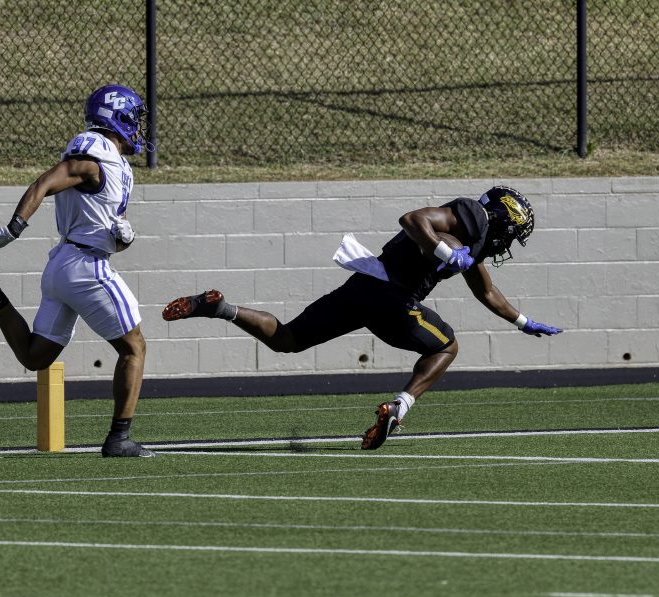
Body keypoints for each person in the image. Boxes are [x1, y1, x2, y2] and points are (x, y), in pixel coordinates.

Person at [163, 185, 562, 450]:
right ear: (504, 220)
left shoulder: (474, 242)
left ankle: (220, 308)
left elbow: (487, 292)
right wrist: (444, 251)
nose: (508, 243)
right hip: (394, 300)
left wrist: (525, 322)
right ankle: (399, 408)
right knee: (447, 346)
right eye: (513, 234)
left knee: (287, 339)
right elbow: (412, 219)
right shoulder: (472, 217)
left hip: (364, 288)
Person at [0, 84, 153, 457]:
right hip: (86, 266)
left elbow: (104, 228)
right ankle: (119, 439)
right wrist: (14, 228)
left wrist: (124, 237)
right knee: (134, 346)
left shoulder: (116, 165)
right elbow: (46, 182)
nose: (138, 127)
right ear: (117, 117)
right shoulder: (94, 154)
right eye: (134, 119)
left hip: (65, 264)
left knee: (35, 357)